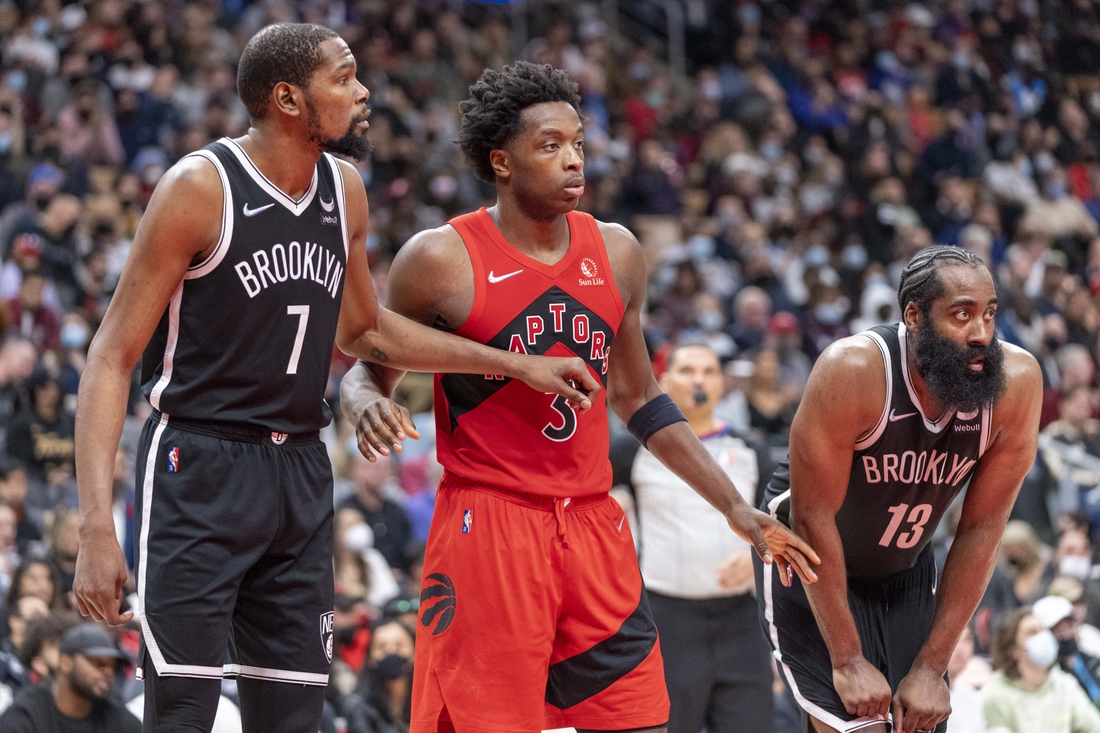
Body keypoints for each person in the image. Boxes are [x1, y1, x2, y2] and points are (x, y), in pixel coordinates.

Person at [71, 25, 599, 733]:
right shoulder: (200, 188)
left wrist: (515, 362)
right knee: (183, 713)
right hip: (199, 462)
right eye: (344, 78)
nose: (364, 92)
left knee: (295, 715)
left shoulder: (344, 189)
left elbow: (365, 331)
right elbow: (110, 356)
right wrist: (96, 525)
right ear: (288, 99)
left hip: (300, 467)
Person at [341, 61, 818, 733]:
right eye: (550, 145)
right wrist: (364, 400)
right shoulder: (441, 258)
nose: (574, 160)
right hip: (491, 521)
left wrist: (735, 507)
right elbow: (368, 366)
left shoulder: (616, 252)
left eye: (578, 144)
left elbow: (639, 396)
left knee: (640, 719)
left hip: (593, 526)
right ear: (501, 161)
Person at [756, 245, 1043, 733]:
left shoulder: (1016, 384)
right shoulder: (853, 370)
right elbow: (812, 518)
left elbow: (982, 528)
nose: (981, 333)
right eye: (962, 314)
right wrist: (848, 659)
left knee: (918, 719)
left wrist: (933, 667)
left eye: (990, 313)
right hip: (809, 560)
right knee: (862, 725)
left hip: (906, 567)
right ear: (913, 316)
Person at [627, 342, 776, 733]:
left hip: (740, 621)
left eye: (709, 372)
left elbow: (783, 521)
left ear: (720, 383)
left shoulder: (749, 448)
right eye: (688, 370)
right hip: (666, 619)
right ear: (663, 381)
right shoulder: (633, 448)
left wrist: (755, 558)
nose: (699, 380)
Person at [0, 623, 140, 732]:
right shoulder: (27, 714)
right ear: (65, 663)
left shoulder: (118, 717)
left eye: (112, 665)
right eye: (97, 662)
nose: (107, 671)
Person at [982, 607, 1100, 733]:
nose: (1043, 637)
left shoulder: (1064, 685)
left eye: (1044, 630)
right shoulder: (995, 694)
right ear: (1013, 649)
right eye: (1032, 632)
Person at [1032, 594, 1100, 704]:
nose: (1066, 634)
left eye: (1069, 625)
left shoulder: (1090, 658)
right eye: (1057, 629)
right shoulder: (1047, 676)